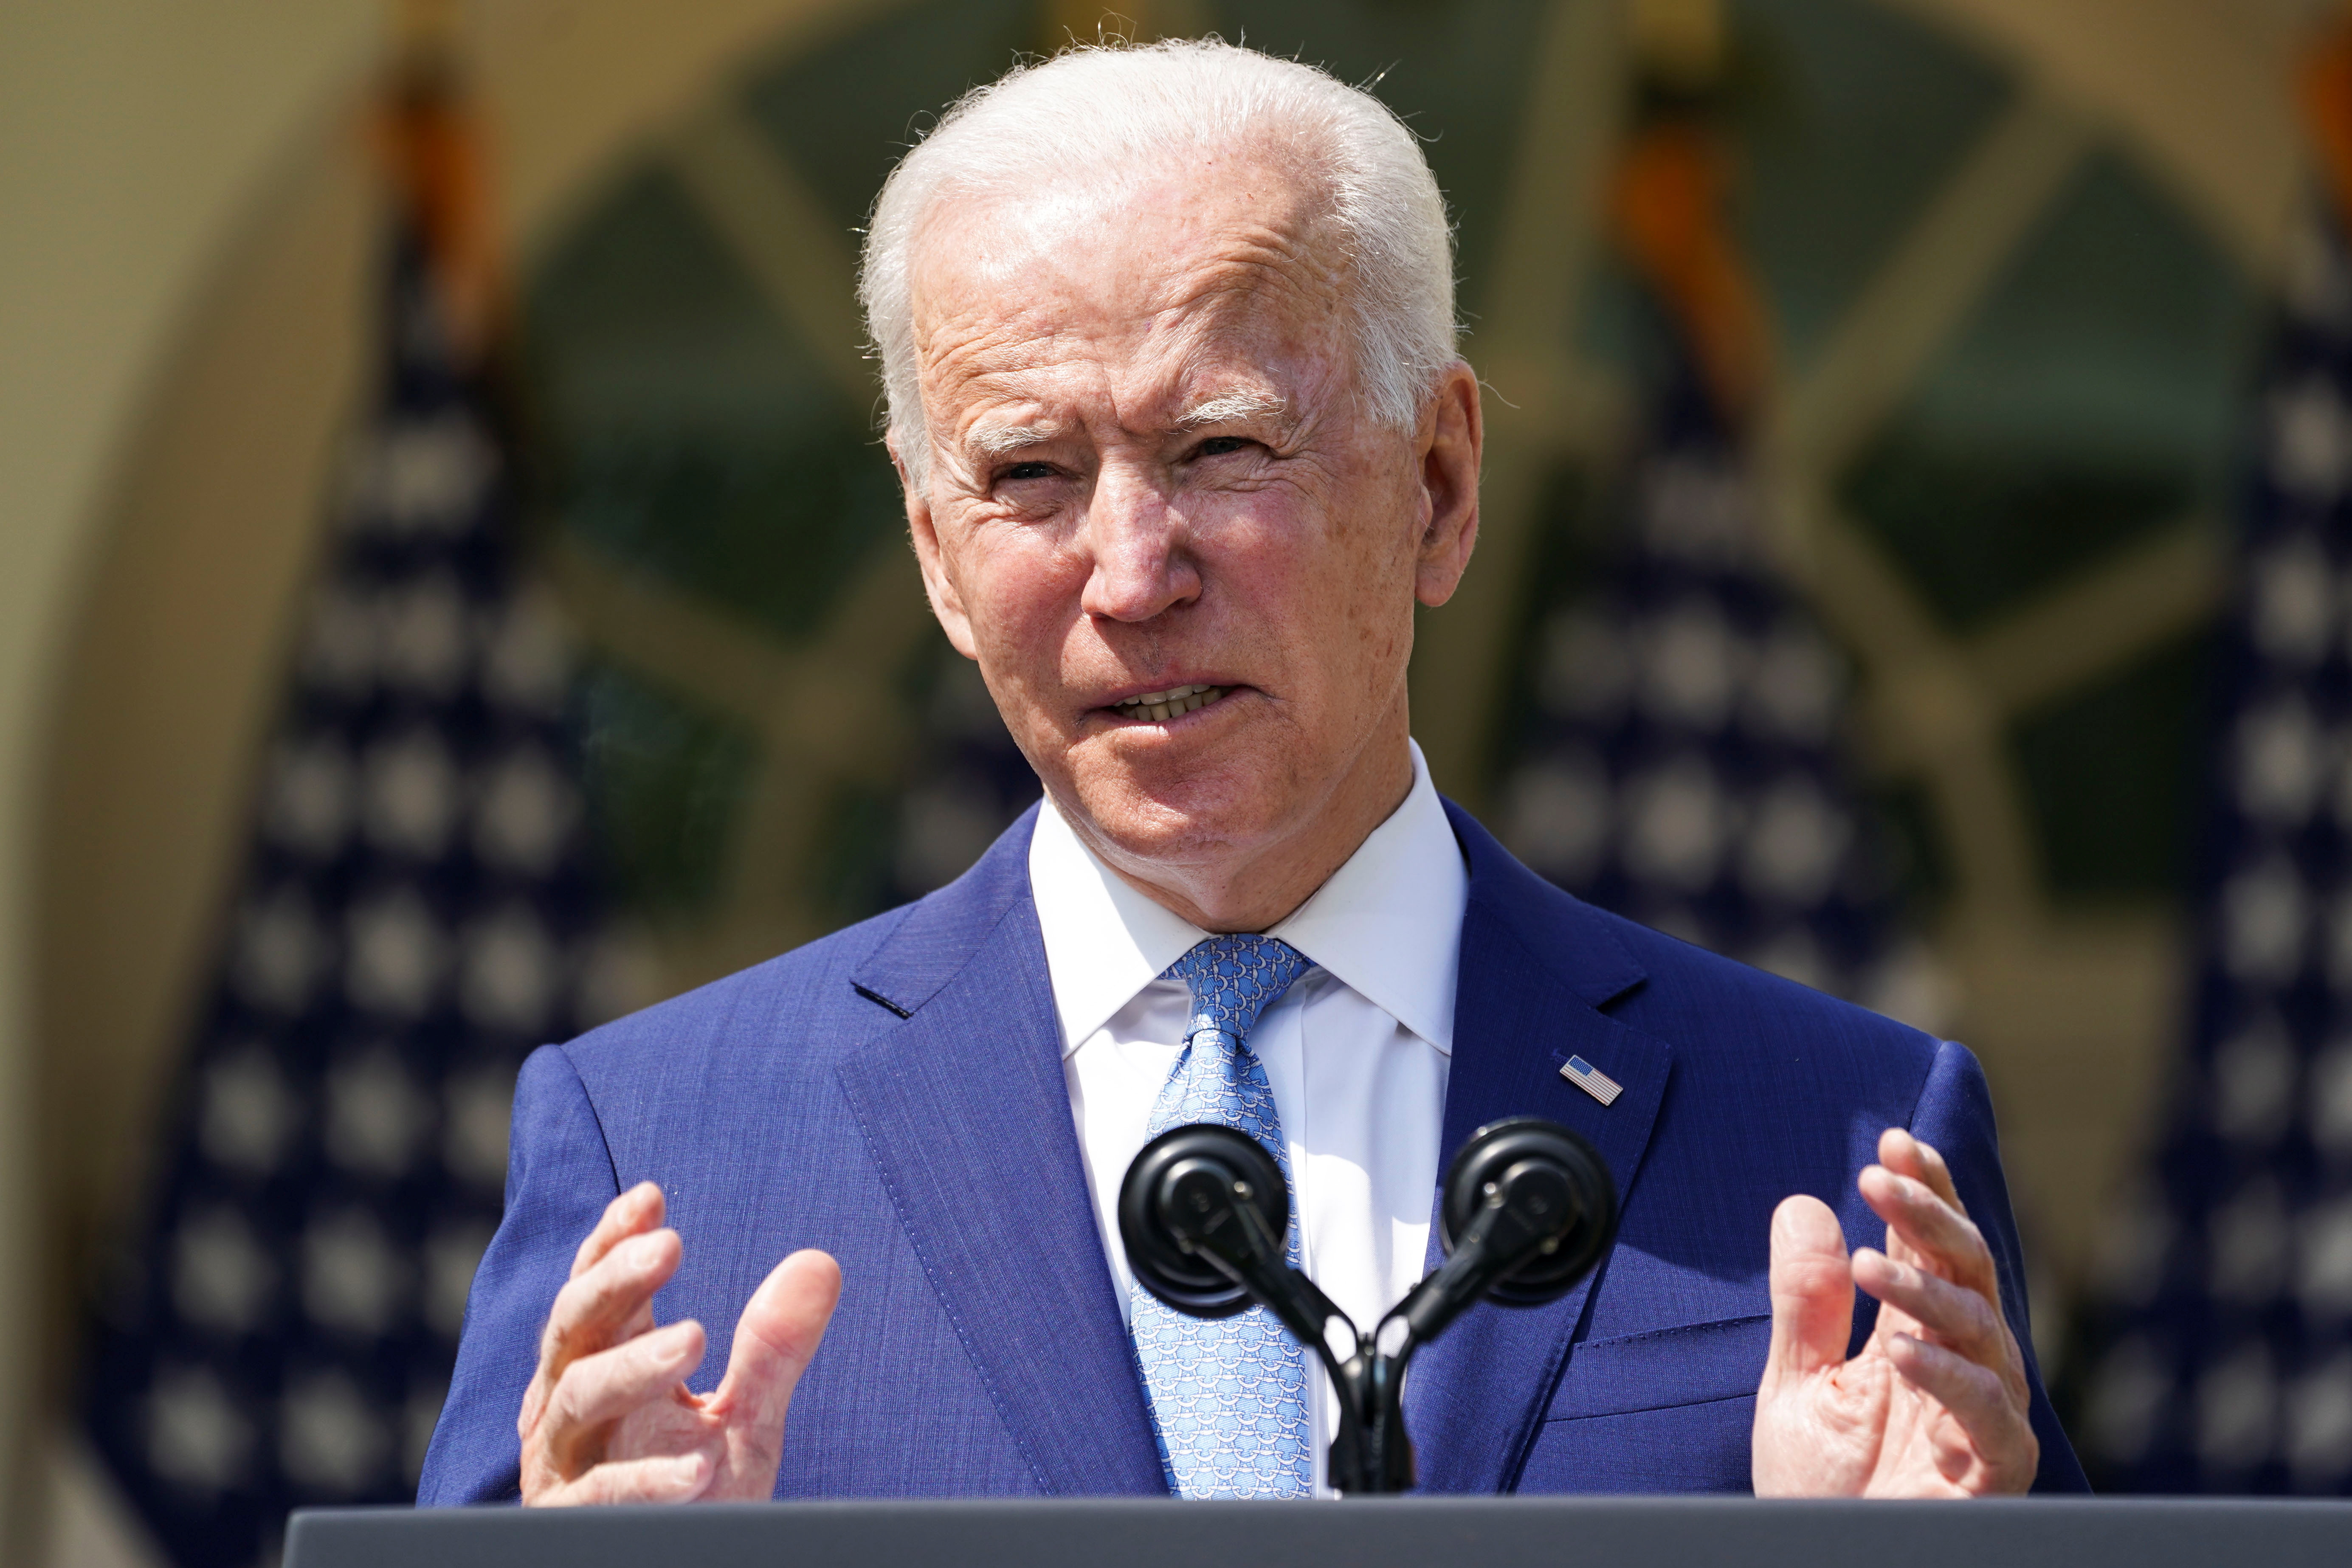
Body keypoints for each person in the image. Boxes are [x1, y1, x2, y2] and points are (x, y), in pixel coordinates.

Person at [418, 39, 2085, 1505]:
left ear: (1433, 485)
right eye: (1028, 475)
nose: (1130, 572)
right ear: (934, 557)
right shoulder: (663, 1153)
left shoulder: (1839, 1132)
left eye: (1219, 450)